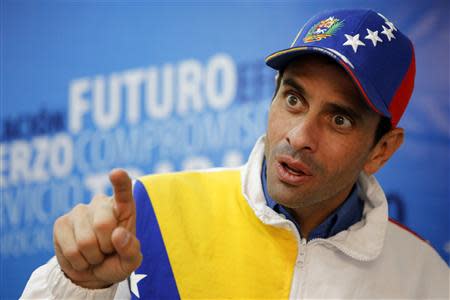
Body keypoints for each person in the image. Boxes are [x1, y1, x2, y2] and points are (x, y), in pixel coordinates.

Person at [22, 8, 448, 299]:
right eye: (294, 99)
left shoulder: (425, 277)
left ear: (382, 150)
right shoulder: (149, 213)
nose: (299, 136)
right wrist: (76, 284)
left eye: (339, 120)